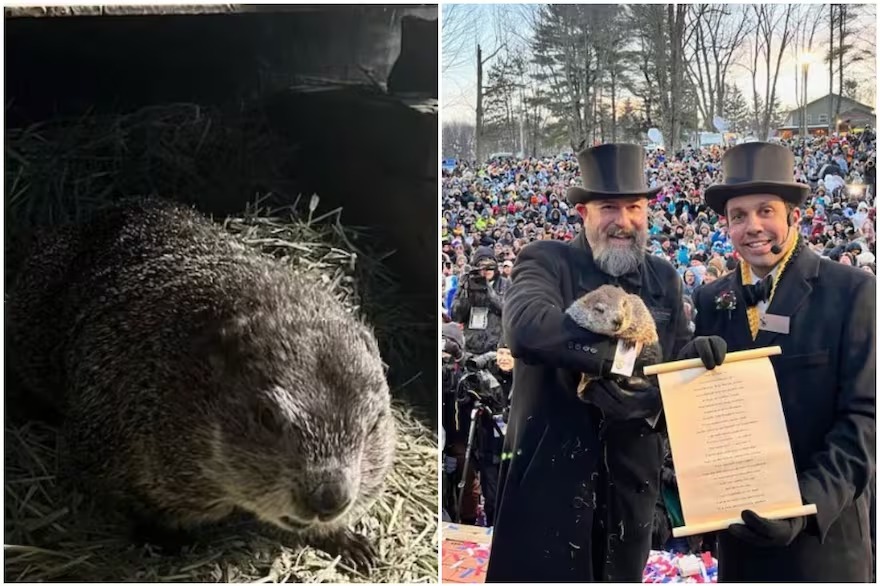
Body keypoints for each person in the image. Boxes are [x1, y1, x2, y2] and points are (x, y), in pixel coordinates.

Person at [485, 144, 722, 582]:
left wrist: (678, 381)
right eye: (609, 207)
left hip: (627, 502)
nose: (624, 220)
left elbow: (675, 368)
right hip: (548, 494)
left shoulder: (663, 277)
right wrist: (616, 363)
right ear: (583, 212)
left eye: (634, 207)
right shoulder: (545, 260)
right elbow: (527, 329)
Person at [693, 142, 875, 582]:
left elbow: (865, 420)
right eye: (739, 216)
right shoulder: (711, 300)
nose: (752, 227)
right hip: (740, 543)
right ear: (727, 226)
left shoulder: (852, 291)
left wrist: (803, 505)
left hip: (823, 545)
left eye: (765, 211)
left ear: (794, 215)